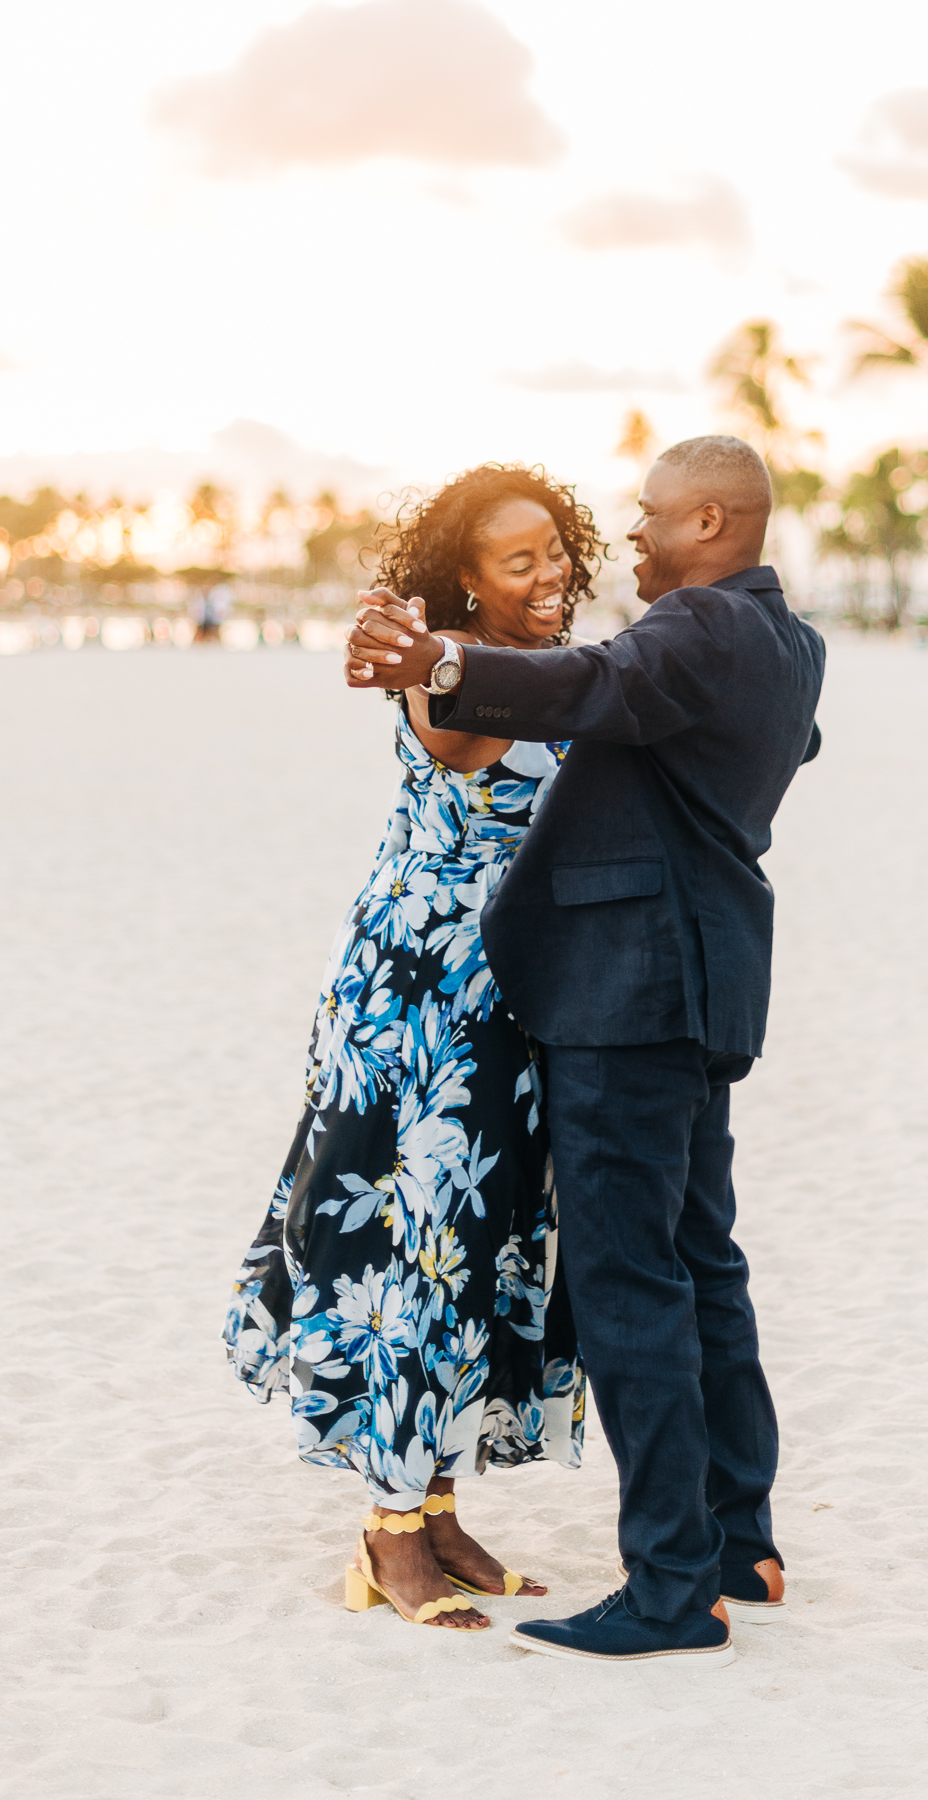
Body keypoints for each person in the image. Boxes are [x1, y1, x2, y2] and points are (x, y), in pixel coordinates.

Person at [347, 434, 825, 1664]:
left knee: (632, 1287)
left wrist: (445, 658)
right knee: (702, 1261)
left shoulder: (700, 632)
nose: (634, 540)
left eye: (655, 519)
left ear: (713, 522)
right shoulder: (788, 646)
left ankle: (671, 1586)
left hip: (628, 995)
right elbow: (672, 716)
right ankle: (738, 1541)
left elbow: (594, 685)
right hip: (704, 988)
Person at [224, 464, 600, 1632]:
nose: (549, 576)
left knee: (472, 1248)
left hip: (509, 996)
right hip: (420, 997)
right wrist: (428, 649)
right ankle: (388, 1537)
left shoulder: (535, 665)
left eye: (556, 550)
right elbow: (461, 731)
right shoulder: (443, 674)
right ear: (467, 580)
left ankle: (436, 1508)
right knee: (414, 1254)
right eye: (519, 560)